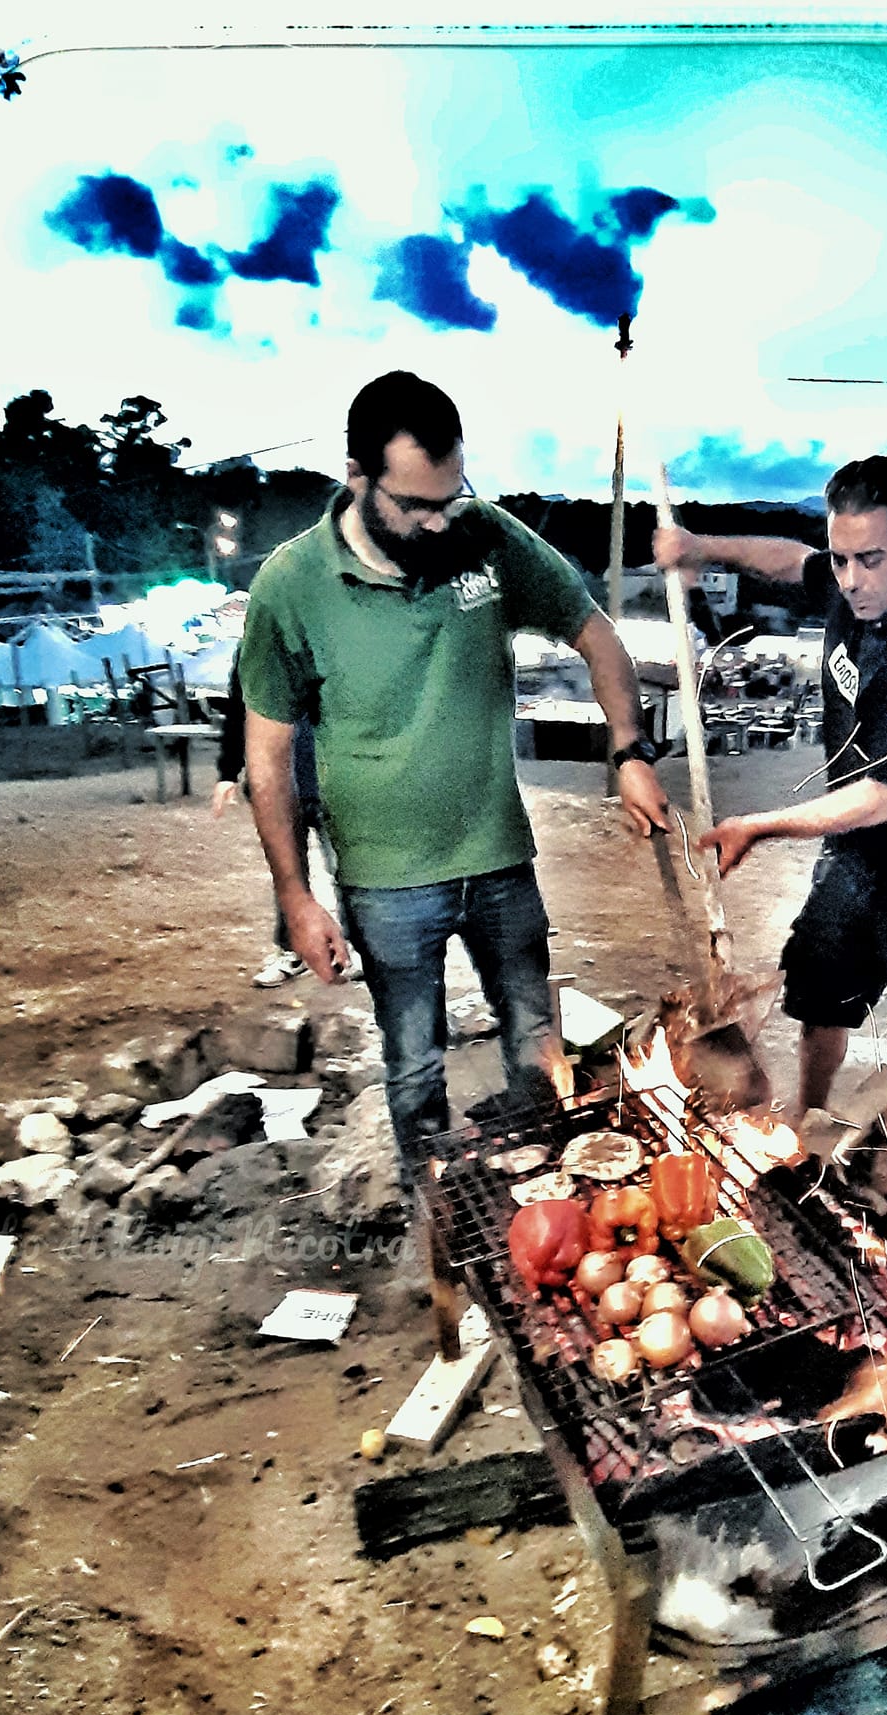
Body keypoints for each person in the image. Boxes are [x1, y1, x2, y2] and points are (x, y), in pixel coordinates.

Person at [238, 371, 668, 1182]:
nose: (441, 521)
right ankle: (437, 1214)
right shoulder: (290, 587)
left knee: (538, 1044)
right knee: (414, 1063)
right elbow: (267, 762)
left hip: (500, 859)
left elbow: (598, 635)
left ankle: (554, 1186)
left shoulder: (488, 539)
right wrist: (297, 900)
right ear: (357, 478)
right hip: (385, 881)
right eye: (418, 505)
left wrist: (630, 754)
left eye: (453, 497)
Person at [653, 454, 887, 1241]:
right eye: (845, 557)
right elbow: (792, 562)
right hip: (857, 862)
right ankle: (811, 1125)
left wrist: (760, 824)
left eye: (872, 559)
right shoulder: (851, 589)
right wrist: (697, 546)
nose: (851, 580)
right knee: (818, 986)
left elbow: (879, 799)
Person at [212, 656, 337, 986]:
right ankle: (292, 951)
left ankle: (356, 950)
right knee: (287, 873)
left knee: (348, 872)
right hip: (277, 790)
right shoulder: (254, 646)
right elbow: (238, 711)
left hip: (334, 782)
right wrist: (227, 773)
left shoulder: (330, 627)